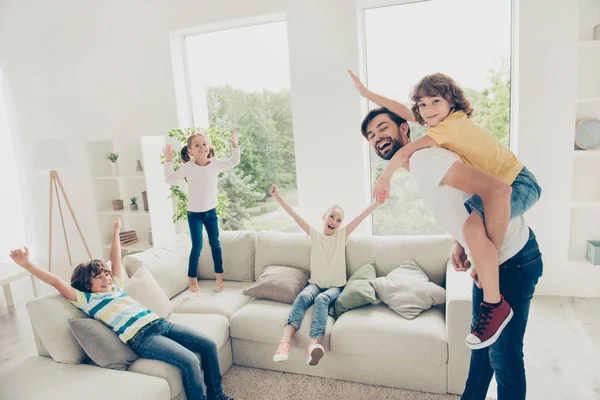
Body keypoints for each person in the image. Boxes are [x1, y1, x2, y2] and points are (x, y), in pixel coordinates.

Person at [349, 70, 542, 349]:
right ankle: (491, 292)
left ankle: (494, 297)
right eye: (423, 105)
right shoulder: (438, 126)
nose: (428, 110)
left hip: (518, 185)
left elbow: (405, 151)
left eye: (435, 102)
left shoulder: (437, 142)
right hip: (507, 204)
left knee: (505, 359)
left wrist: (383, 178)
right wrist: (367, 95)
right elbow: (461, 198)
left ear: (451, 101)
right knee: (482, 354)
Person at [360, 107, 543, 400]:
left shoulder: (425, 158)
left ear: (404, 129)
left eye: (383, 128)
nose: (377, 137)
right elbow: (467, 203)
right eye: (371, 136)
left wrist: (483, 250)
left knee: (505, 357)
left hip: (512, 260)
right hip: (490, 263)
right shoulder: (422, 164)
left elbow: (495, 191)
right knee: (481, 351)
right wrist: (461, 243)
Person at [8, 219, 234, 400]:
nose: (106, 278)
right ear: (87, 284)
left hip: (160, 324)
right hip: (142, 337)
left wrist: (116, 230)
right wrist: (27, 264)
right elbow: (56, 281)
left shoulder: (115, 285)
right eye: (98, 277)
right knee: (188, 361)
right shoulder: (86, 299)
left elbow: (116, 256)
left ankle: (217, 394)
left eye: (106, 273)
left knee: (208, 344)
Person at [269, 184, 379, 366]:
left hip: (335, 287)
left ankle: (313, 345)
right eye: (332, 216)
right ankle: (284, 343)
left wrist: (377, 203)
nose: (334, 222)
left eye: (339, 220)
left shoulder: (341, 236)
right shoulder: (314, 235)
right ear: (324, 217)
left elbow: (361, 217)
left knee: (321, 300)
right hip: (315, 283)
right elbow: (295, 216)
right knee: (304, 295)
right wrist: (278, 197)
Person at [164, 130, 240, 293]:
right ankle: (192, 279)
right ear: (190, 150)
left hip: (211, 212)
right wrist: (168, 161)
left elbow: (235, 160)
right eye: (197, 145)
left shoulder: (215, 163)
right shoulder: (188, 167)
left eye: (204, 144)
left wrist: (235, 145)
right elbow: (169, 178)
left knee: (215, 244)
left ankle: (219, 277)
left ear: (209, 147)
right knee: (197, 246)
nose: (202, 147)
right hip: (194, 215)